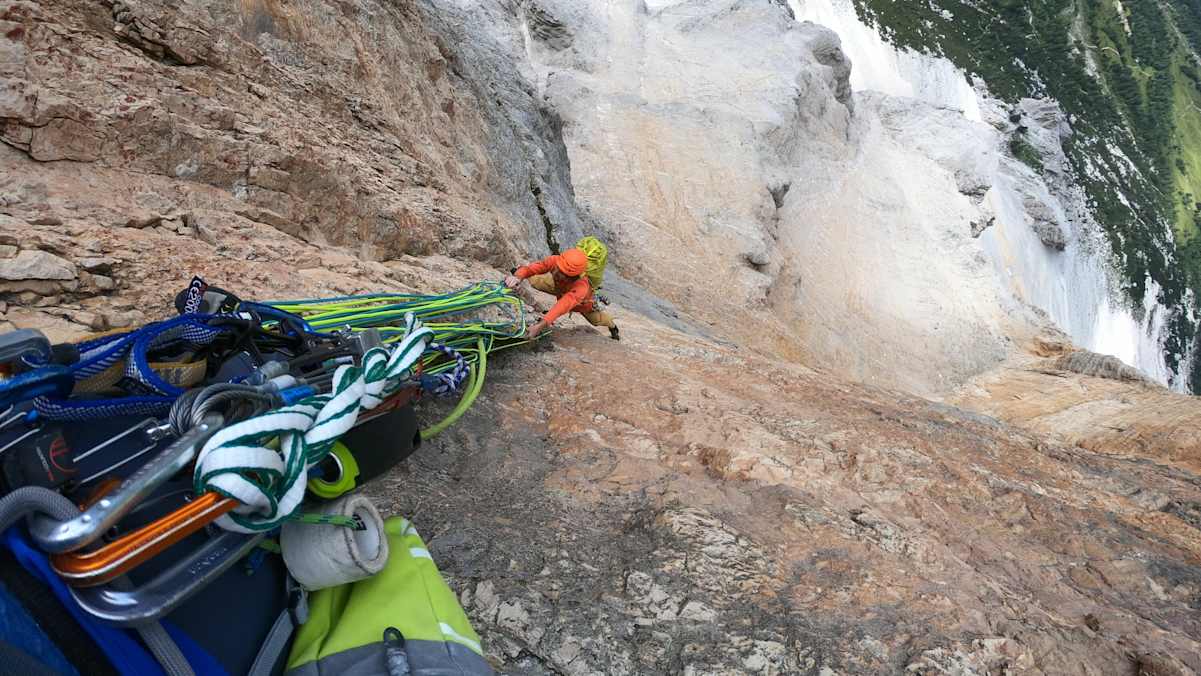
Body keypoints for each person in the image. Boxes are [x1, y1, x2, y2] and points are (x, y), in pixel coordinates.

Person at [504, 248, 619, 341]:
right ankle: (517, 272)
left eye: (562, 273)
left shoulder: (581, 287)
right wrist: (518, 276)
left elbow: (562, 306)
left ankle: (613, 327)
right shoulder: (555, 261)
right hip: (559, 287)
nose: (556, 273)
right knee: (534, 280)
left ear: (573, 277)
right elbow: (535, 268)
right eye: (557, 269)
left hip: (582, 304)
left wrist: (539, 326)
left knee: (597, 320)